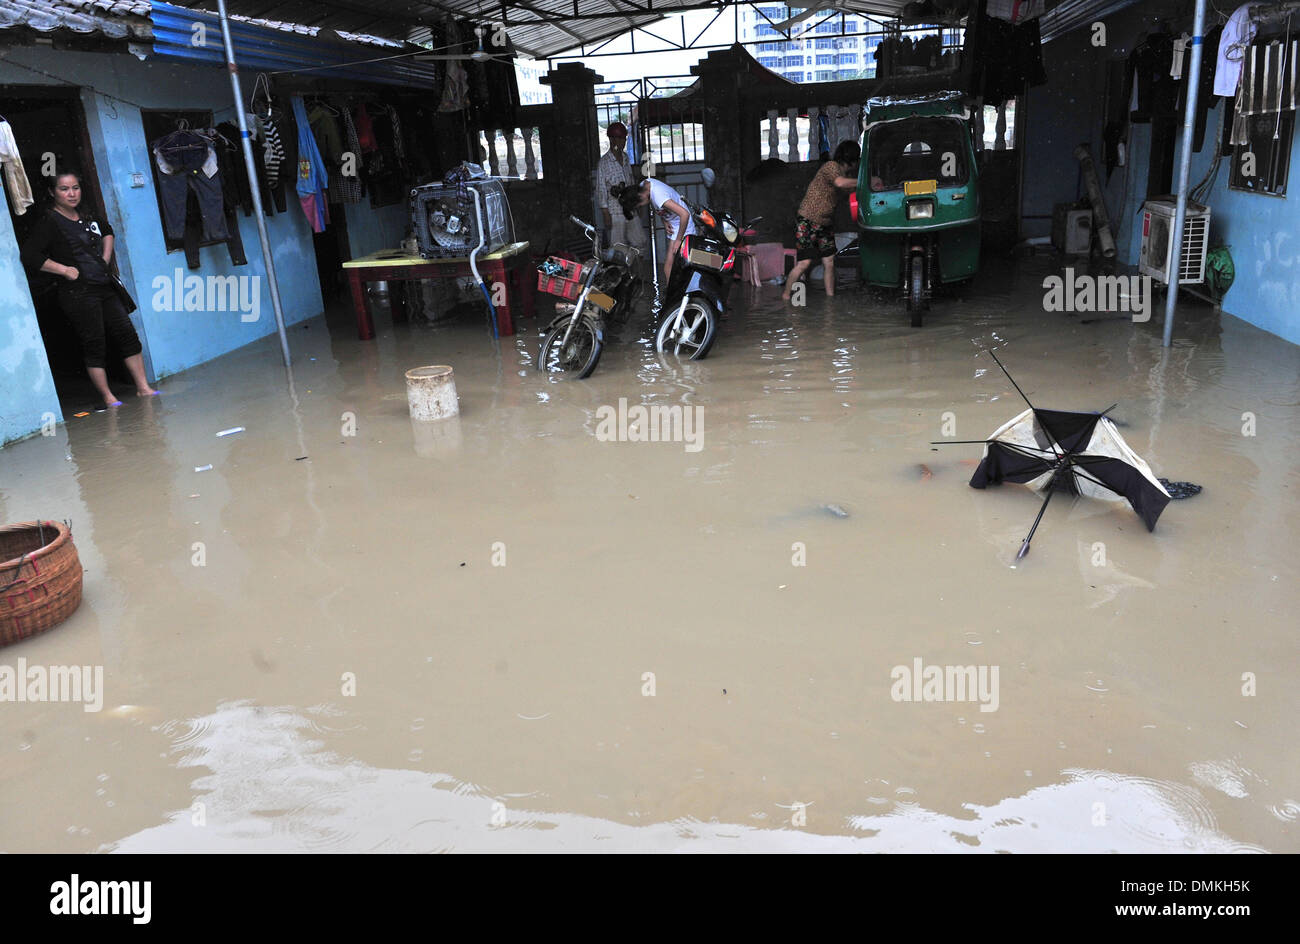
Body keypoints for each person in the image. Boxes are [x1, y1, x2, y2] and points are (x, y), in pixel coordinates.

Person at [20, 170, 155, 407]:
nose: (72, 194)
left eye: (75, 188)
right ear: (52, 192)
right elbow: (30, 256)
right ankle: (108, 397)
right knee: (95, 342)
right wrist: (64, 270)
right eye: (64, 189)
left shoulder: (86, 215)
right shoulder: (49, 221)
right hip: (78, 293)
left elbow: (108, 230)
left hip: (105, 287)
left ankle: (143, 388)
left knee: (127, 334)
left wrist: (105, 257)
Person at [783, 140, 860, 300]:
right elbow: (840, 183)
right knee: (804, 264)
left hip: (825, 223)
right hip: (808, 220)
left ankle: (830, 301)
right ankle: (785, 297)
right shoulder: (831, 167)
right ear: (853, 159)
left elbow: (851, 191)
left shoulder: (845, 176)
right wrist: (863, 181)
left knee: (829, 262)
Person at [613, 177, 694, 285]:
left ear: (639, 197)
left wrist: (679, 240)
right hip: (675, 223)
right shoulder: (644, 186)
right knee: (671, 266)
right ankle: (675, 295)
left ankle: (678, 295)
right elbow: (657, 206)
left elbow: (685, 214)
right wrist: (665, 221)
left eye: (639, 205)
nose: (641, 206)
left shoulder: (658, 196)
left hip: (683, 224)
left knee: (675, 265)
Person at [596, 121, 644, 251]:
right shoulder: (604, 162)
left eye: (624, 139)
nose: (623, 142)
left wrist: (637, 202)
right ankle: (621, 271)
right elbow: (601, 189)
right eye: (620, 139)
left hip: (630, 207)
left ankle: (637, 269)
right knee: (618, 247)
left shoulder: (626, 158)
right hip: (614, 211)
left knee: (639, 241)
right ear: (612, 139)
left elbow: (631, 180)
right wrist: (605, 214)